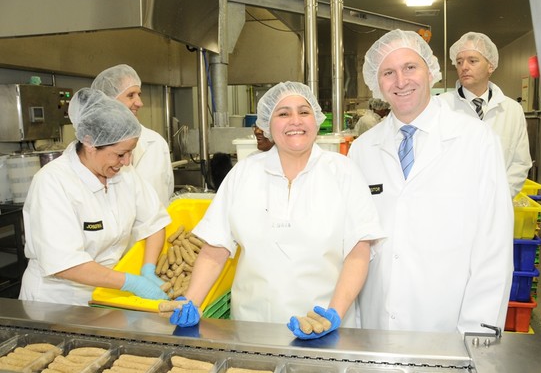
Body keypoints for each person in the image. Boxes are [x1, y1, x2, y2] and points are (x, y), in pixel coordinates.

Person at [164, 81, 385, 339]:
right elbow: (216, 249)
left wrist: (333, 314)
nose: (295, 121)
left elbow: (359, 251)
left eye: (304, 112)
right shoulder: (244, 174)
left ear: (316, 119)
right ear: (267, 125)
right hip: (253, 327)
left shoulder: (342, 171)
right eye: (283, 113)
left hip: (326, 325)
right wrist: (191, 301)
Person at [348, 29, 514, 334]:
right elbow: (354, 244)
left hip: (449, 325)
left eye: (410, 67)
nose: (401, 81)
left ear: (431, 72)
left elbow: (494, 247)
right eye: (388, 72)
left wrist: (477, 337)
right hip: (376, 326)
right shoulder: (362, 149)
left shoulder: (476, 140)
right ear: (376, 82)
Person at [19, 88, 172, 306]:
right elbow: (65, 264)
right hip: (57, 302)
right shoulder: (53, 182)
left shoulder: (125, 175)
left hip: (106, 293)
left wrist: (148, 269)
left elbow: (154, 222)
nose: (127, 162)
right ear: (90, 144)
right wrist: (133, 283)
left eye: (131, 152)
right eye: (120, 154)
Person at [439, 32, 532, 198]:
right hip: (451, 204)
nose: (464, 67)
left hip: (498, 204)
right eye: (459, 62)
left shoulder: (512, 110)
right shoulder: (440, 106)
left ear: (491, 66)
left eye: (472, 61)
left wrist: (499, 197)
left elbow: (520, 162)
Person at [91, 64, 174, 207]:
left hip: (156, 228)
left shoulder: (156, 142)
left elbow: (167, 194)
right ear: (108, 101)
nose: (139, 103)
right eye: (130, 95)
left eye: (139, 95)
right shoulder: (93, 148)